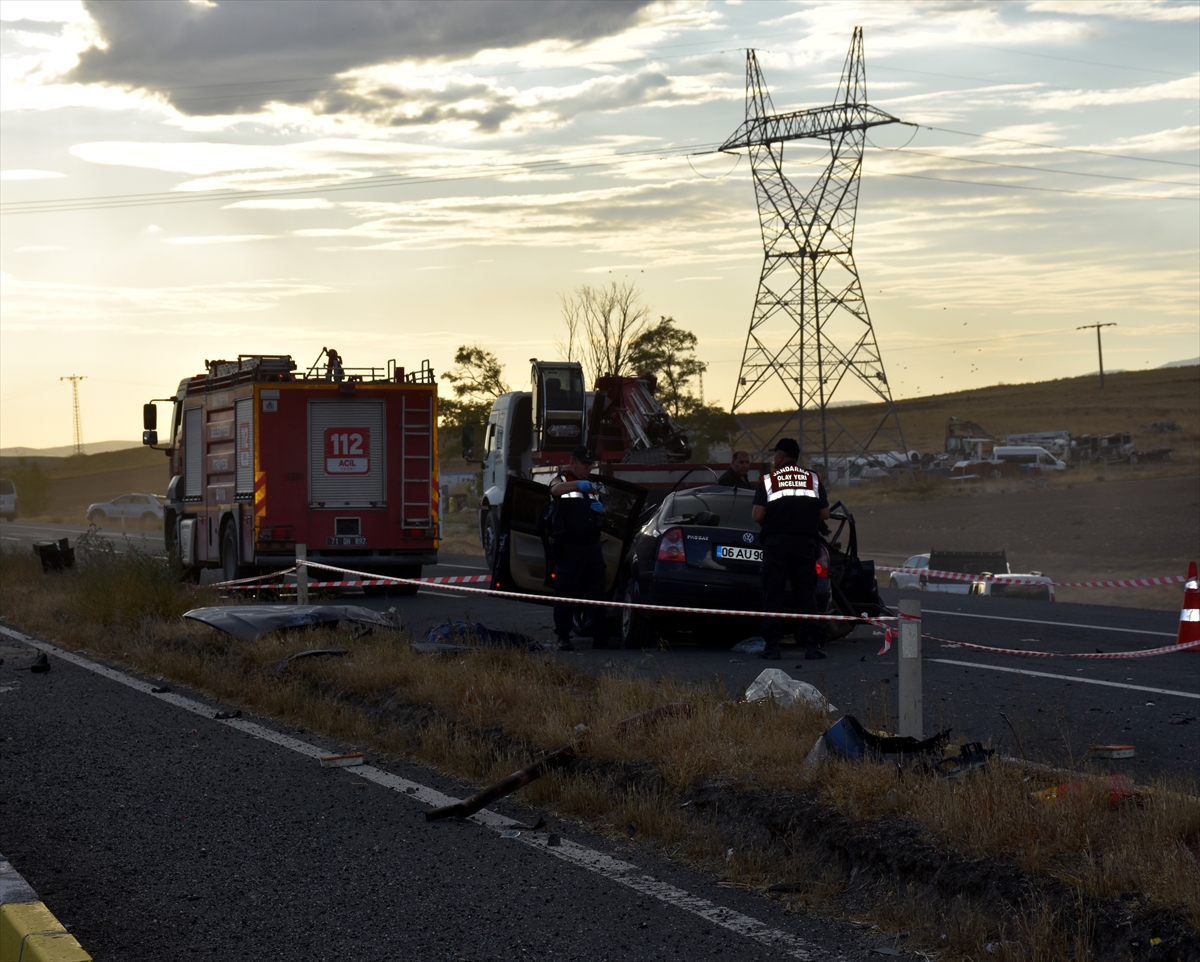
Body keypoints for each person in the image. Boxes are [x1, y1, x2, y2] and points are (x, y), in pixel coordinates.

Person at [751, 438, 830, 660]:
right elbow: (824, 514)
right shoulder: (812, 479)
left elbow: (757, 515)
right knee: (806, 594)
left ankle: (772, 646)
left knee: (773, 593)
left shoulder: (768, 480)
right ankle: (812, 645)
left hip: (776, 545)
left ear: (780, 457)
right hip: (805, 544)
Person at [548, 445, 618, 651]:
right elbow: (554, 490)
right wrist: (578, 485)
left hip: (591, 545)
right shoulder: (561, 480)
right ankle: (563, 636)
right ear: (573, 462)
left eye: (590, 465)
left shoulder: (593, 486)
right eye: (584, 464)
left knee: (596, 592)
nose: (588, 468)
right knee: (566, 591)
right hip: (570, 546)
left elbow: (601, 513)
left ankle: (598, 634)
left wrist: (602, 511)